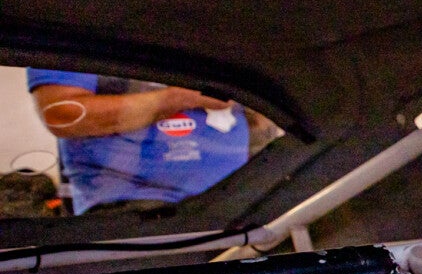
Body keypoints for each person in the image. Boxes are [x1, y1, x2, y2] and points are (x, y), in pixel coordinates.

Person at [26, 68, 257, 215]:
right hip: (136, 213)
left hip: (242, 199)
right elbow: (63, 115)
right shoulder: (76, 20)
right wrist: (183, 98)